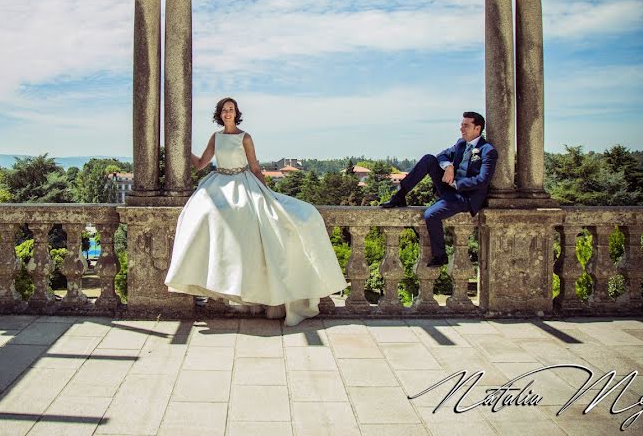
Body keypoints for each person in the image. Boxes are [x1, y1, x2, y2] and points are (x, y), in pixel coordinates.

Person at [164, 97, 348, 326]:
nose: (227, 113)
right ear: (219, 114)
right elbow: (201, 163)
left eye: (231, 110)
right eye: (224, 110)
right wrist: (182, 149)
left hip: (243, 182)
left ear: (236, 113)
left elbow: (255, 168)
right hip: (218, 182)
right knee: (202, 214)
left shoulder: (245, 137)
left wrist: (267, 193)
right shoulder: (216, 137)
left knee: (253, 220)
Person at [380, 111, 498, 267]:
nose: (461, 129)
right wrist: (448, 166)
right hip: (448, 186)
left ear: (477, 129)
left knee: (430, 215)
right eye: (461, 125)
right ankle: (400, 195)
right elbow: (440, 156)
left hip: (465, 196)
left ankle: (440, 255)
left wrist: (456, 184)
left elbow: (482, 180)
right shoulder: (460, 144)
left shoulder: (487, 151)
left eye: (466, 126)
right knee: (429, 159)